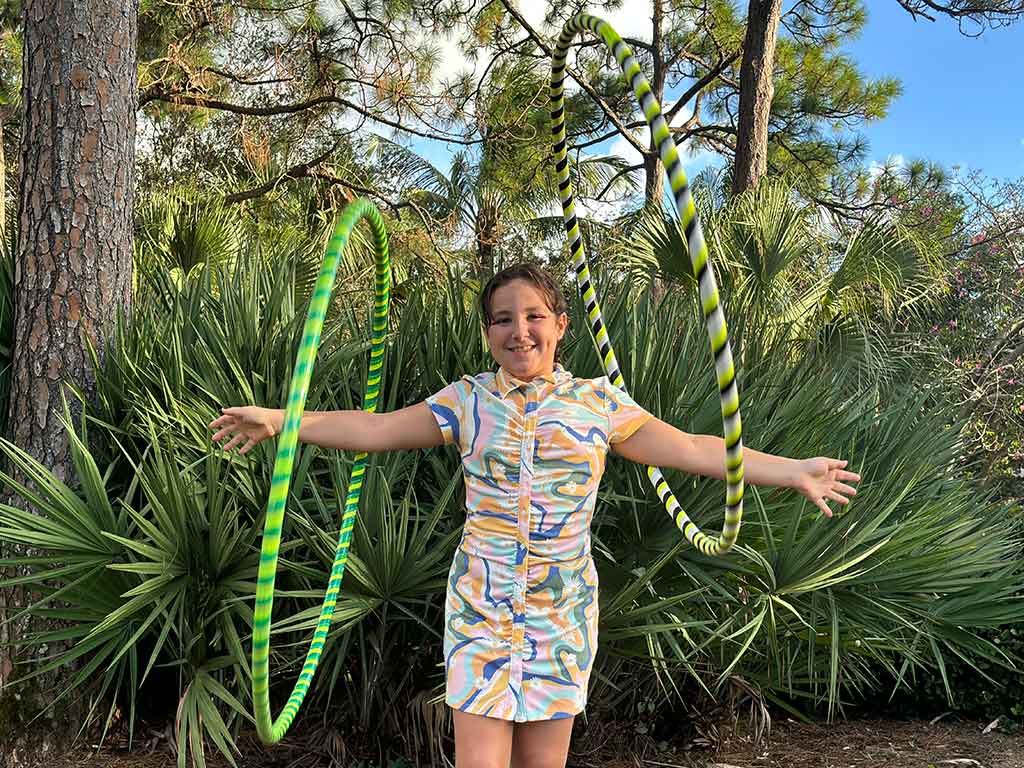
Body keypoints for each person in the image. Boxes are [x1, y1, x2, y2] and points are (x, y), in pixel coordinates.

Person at [210, 262, 860, 768]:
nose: (518, 330)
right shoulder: (466, 401)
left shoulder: (599, 404)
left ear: (561, 324)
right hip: (481, 608)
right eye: (502, 319)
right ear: (487, 333)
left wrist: (791, 470)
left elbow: (692, 448)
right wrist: (283, 420)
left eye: (533, 316)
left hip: (561, 611)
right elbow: (377, 429)